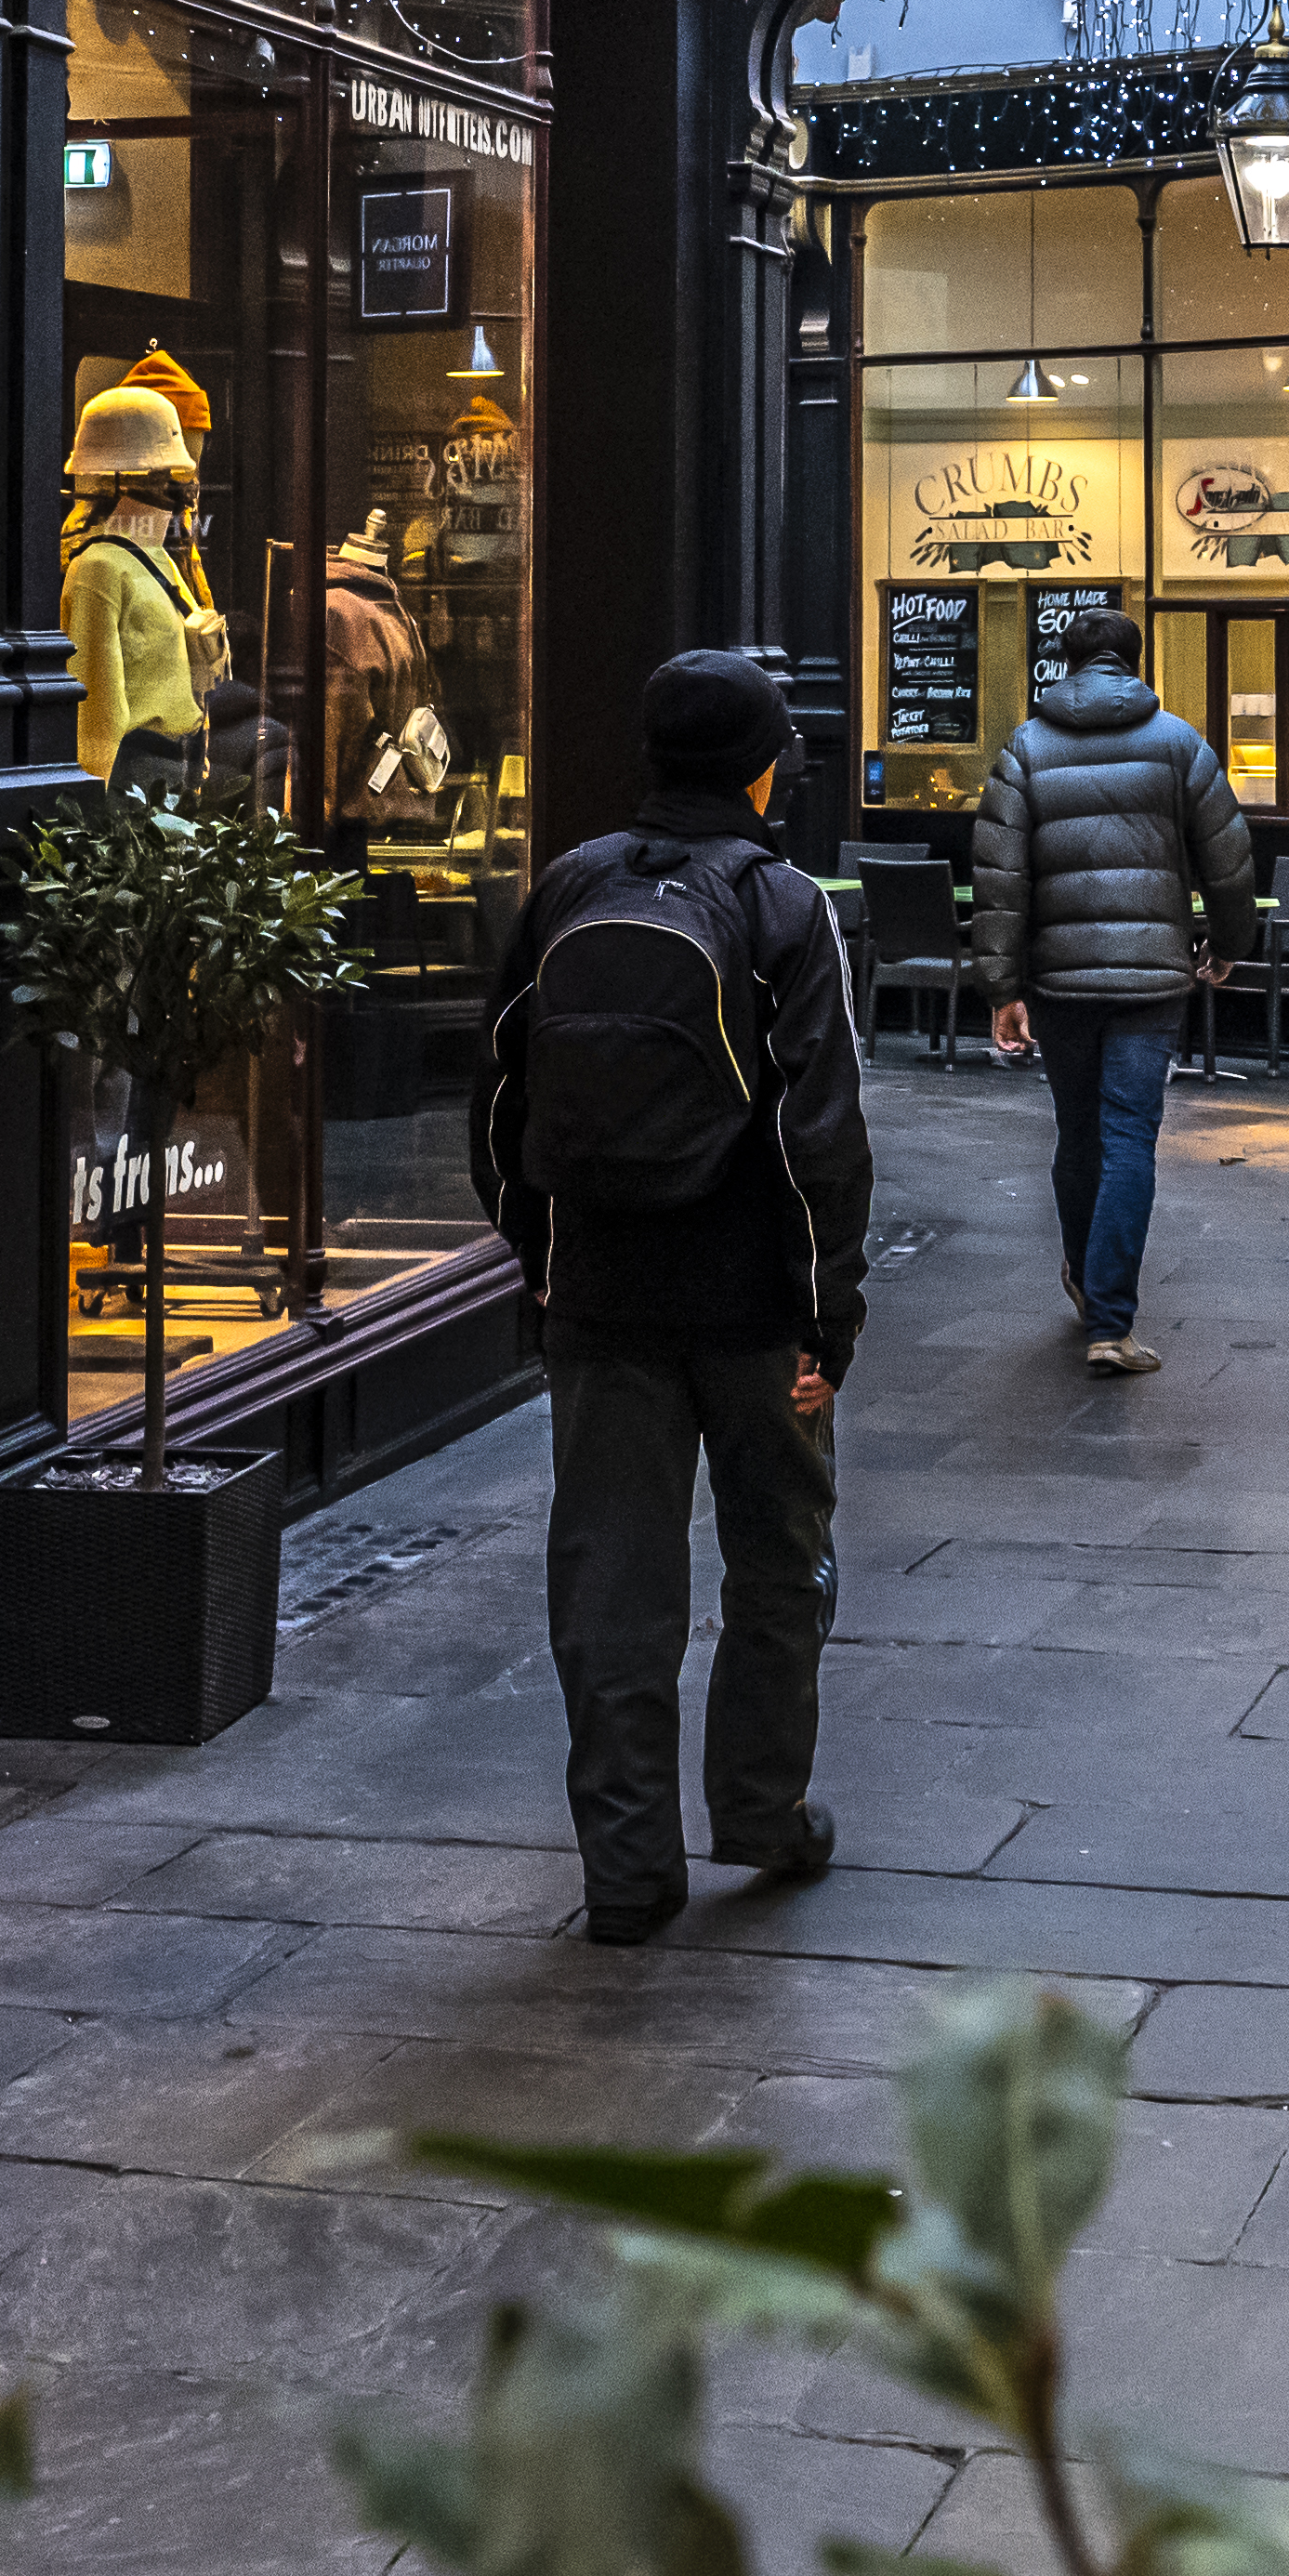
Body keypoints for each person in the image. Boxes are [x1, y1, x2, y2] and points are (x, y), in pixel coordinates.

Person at [482, 647, 875, 1943]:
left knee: (609, 1588)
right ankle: (763, 1814)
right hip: (757, 1309)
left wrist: (542, 1263)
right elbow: (822, 1133)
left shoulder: (567, 888)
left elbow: (499, 1105)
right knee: (778, 1564)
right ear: (766, 766)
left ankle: (626, 1870)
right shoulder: (781, 904)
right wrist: (832, 1318)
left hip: (601, 1299)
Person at [970, 634, 1249, 1372]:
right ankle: (1110, 1323)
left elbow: (1000, 881)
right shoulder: (1179, 743)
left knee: (1078, 1131)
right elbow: (1229, 862)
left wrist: (1003, 990)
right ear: (1135, 662)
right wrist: (1225, 947)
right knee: (1129, 1137)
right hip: (1152, 980)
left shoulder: (1025, 749)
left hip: (1059, 983)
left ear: (1067, 664)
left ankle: (1081, 1276)